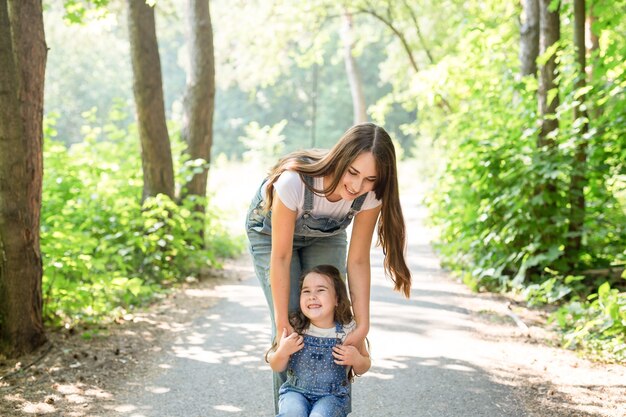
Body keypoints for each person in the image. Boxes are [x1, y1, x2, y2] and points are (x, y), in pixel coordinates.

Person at [245, 122, 411, 412]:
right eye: (353, 173)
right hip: (271, 236)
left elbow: (358, 260)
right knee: (293, 327)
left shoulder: (371, 194)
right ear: (340, 159)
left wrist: (362, 325)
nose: (357, 186)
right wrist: (282, 322)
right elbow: (281, 256)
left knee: (328, 312)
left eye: (370, 179)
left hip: (326, 235)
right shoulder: (293, 182)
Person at [266, 265, 371, 417]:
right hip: (295, 392)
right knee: (292, 412)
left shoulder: (349, 329)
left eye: (320, 290)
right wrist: (282, 352)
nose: (312, 296)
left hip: (332, 396)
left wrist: (356, 359)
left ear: (337, 299)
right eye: (306, 291)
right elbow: (276, 365)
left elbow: (364, 365)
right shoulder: (295, 326)